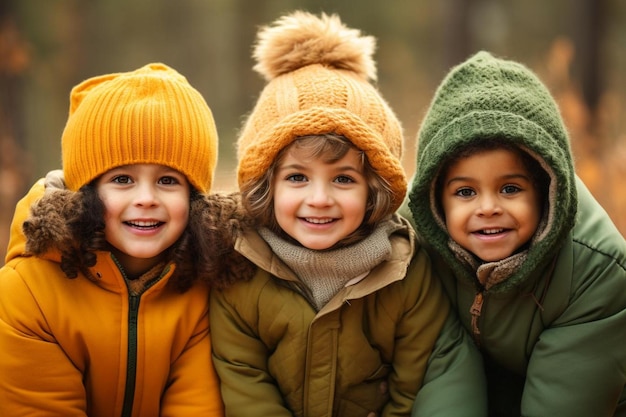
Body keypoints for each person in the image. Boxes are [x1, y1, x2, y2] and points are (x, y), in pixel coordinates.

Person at [209, 11, 486, 417]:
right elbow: (244, 379)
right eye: (297, 178)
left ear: (375, 190)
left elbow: (414, 384)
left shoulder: (405, 272)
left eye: (343, 180)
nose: (320, 199)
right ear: (266, 186)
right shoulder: (239, 270)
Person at [0, 63, 248, 416]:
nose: (146, 198)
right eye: (122, 180)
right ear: (85, 193)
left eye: (167, 181)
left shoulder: (206, 287)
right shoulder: (28, 292)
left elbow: (197, 405)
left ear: (195, 200)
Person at [401, 50, 626, 416]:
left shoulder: (594, 269)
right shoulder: (412, 239)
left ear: (544, 189)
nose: (487, 207)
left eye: (510, 189)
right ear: (436, 199)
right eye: (465, 192)